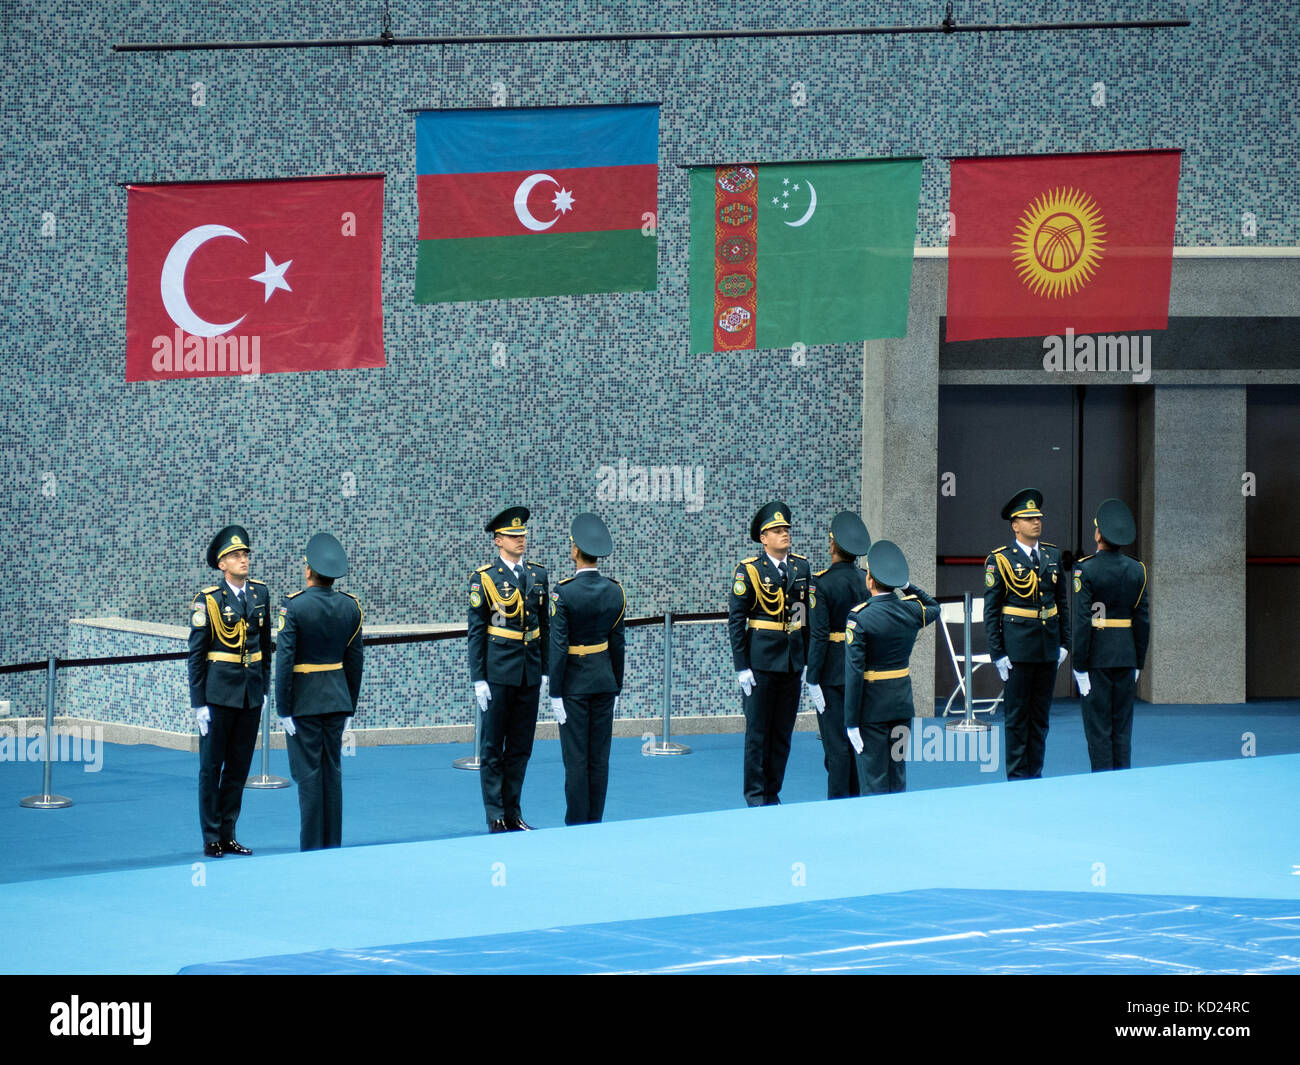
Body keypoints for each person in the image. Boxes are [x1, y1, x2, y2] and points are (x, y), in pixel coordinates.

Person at [275, 533, 364, 851]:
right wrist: (350, 706)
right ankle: (332, 844)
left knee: (310, 775)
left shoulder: (294, 607)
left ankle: (312, 847)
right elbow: (355, 663)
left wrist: (282, 708)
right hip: (337, 700)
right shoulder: (350, 607)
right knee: (332, 772)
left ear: (309, 570)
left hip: (305, 703)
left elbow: (284, 662)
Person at [188, 524, 271, 858]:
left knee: (238, 768)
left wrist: (264, 690)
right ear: (221, 564)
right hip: (218, 696)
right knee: (211, 768)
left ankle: (228, 832)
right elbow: (196, 655)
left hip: (249, 695)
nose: (244, 559)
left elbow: (265, 647)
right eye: (236, 555)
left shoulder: (260, 594)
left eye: (246, 554)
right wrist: (199, 704)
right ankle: (211, 836)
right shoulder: (207, 600)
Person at [468, 506, 549, 832]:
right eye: (514, 536)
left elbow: (543, 625)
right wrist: (478, 678)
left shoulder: (538, 574)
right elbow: (477, 630)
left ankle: (514, 812)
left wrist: (544, 670)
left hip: (528, 672)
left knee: (520, 747)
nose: (521, 541)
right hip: (499, 672)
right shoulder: (484, 578)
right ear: (498, 540)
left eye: (523, 536)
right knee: (492, 747)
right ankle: (495, 815)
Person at [728, 500, 812, 807]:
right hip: (760, 663)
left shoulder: (800, 567)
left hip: (791, 662)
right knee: (757, 734)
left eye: (786, 529)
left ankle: (773, 793)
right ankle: (755, 796)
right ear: (763, 538)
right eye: (777, 531)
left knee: (782, 733)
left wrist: (804, 658)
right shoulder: (748, 571)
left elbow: (802, 614)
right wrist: (741, 666)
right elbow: (737, 621)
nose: (784, 534)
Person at [983, 488, 1071, 780]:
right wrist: (998, 653)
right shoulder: (1000, 560)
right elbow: (992, 611)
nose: (1036, 522)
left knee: (1040, 717)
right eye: (1028, 518)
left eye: (1038, 517)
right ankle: (1018, 776)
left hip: (1047, 648)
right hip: (1017, 650)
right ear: (1014, 524)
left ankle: (1036, 773)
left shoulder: (1052, 555)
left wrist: (1065, 642)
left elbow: (1062, 603)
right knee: (1018, 717)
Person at [843, 540, 941, 794]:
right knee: (897, 774)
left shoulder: (859, 617)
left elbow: (854, 673)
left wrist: (851, 720)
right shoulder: (910, 611)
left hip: (872, 709)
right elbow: (934, 606)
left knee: (874, 777)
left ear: (870, 580)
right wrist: (906, 585)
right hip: (901, 703)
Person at [548, 513, 626, 825]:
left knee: (576, 758)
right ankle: (595, 819)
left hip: (575, 685)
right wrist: (616, 685)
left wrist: (555, 692)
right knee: (599, 758)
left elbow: (558, 647)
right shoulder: (615, 590)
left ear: (575, 551)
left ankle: (576, 822)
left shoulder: (563, 592)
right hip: (605, 682)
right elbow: (617, 644)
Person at [1071, 499, 1150, 772]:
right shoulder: (1137, 569)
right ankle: (1122, 780)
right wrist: (1139, 661)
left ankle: (1102, 784)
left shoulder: (1086, 568)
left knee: (1098, 727)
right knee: (1122, 727)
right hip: (1126, 656)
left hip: (1097, 659)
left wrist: (1079, 664)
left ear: (1098, 534)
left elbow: (1083, 621)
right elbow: (1142, 619)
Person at [806, 511, 871, 799]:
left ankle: (837, 804)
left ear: (832, 545)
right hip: (863, 668)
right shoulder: (867, 580)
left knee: (836, 746)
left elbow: (819, 636)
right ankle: (856, 800)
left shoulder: (820, 583)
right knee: (857, 741)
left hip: (832, 674)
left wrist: (812, 678)